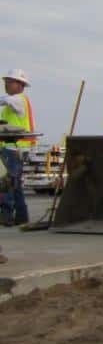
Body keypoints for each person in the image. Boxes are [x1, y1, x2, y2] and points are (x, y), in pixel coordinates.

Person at [0, 68, 36, 226]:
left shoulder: (18, 99)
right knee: (15, 184)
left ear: (20, 84)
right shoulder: (15, 102)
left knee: (8, 182)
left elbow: (3, 99)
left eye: (9, 82)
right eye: (5, 82)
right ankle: (22, 216)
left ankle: (6, 215)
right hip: (15, 148)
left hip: (14, 148)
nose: (6, 84)